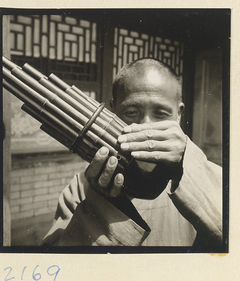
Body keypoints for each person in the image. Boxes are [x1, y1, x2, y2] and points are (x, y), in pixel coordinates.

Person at [43, 58, 222, 248]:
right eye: (131, 112)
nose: (145, 126)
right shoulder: (81, 188)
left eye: (161, 113)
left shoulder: (214, 180)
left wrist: (188, 161)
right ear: (112, 111)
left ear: (178, 114)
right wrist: (102, 204)